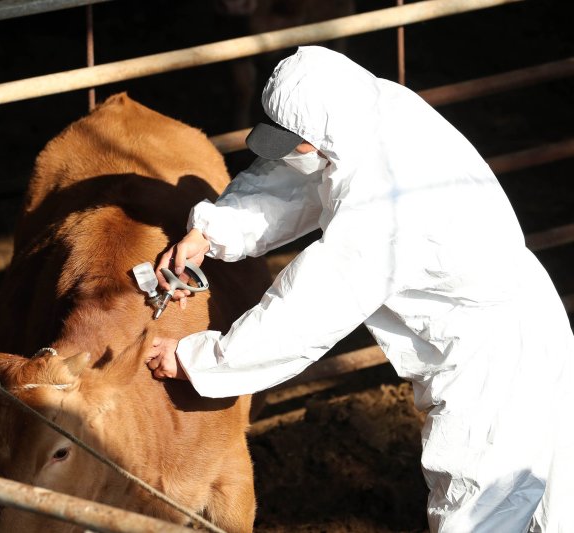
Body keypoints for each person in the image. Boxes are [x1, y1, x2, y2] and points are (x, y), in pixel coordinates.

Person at [145, 46, 573, 532]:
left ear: (323, 137)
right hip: (515, 313)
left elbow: (312, 307)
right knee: (552, 505)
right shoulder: (364, 118)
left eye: (297, 144)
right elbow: (296, 178)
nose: (293, 153)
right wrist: (212, 231)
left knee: (479, 509)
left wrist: (202, 360)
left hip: (493, 354)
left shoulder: (386, 199)